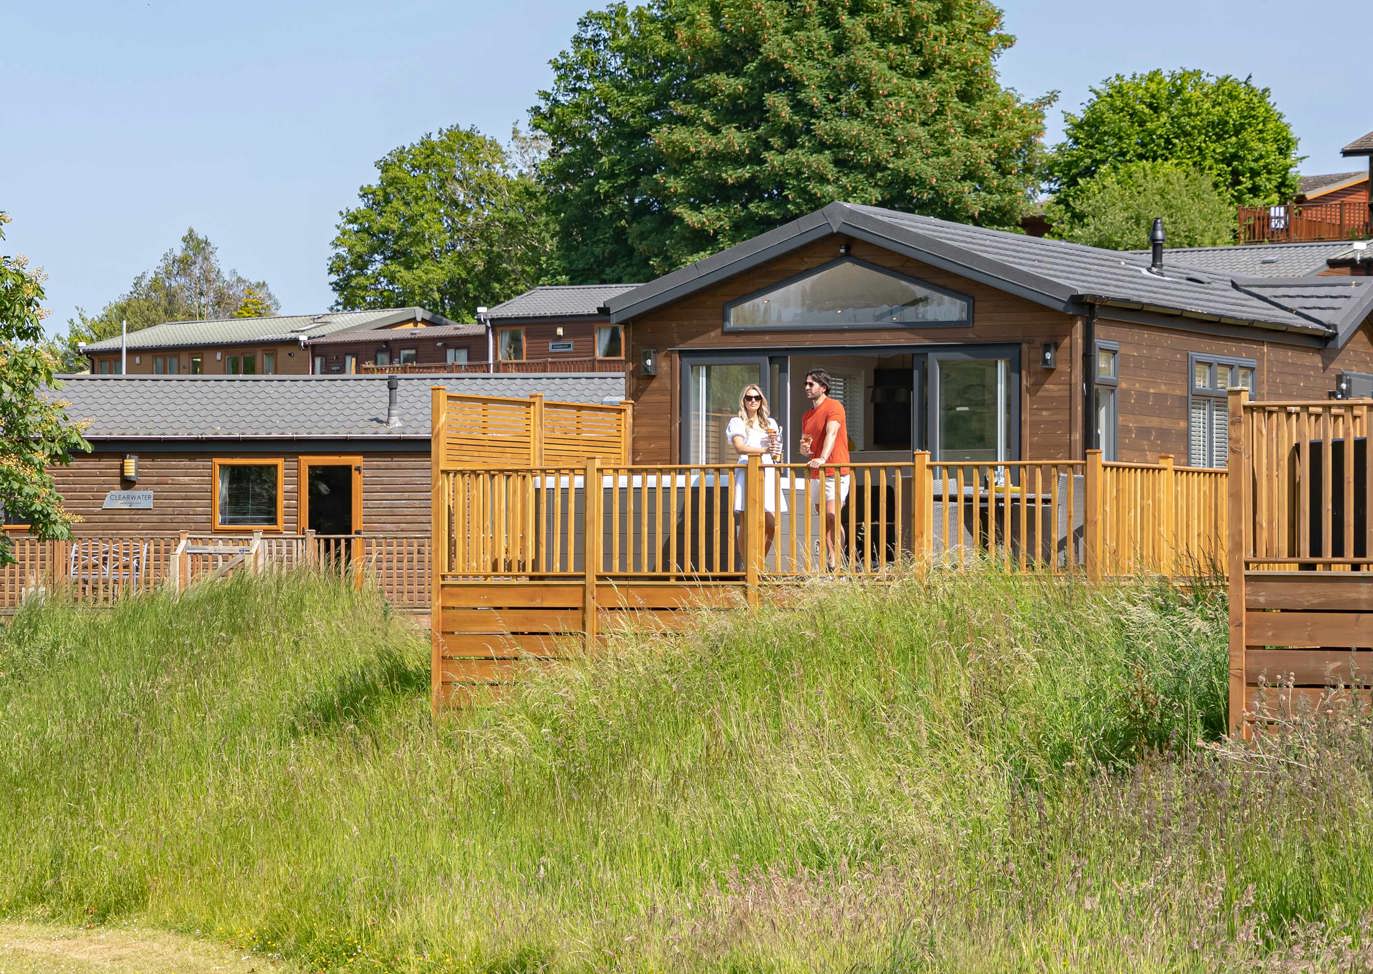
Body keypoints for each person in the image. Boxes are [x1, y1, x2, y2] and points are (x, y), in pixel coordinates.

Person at [725, 384, 786, 564]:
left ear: (761, 401)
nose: (753, 401)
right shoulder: (737, 422)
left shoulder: (771, 423)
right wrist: (764, 449)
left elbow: (776, 451)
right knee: (747, 521)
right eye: (749, 398)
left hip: (767, 470)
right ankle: (747, 567)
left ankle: (758, 564)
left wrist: (775, 451)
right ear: (743, 401)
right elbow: (739, 447)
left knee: (770, 521)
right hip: (748, 470)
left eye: (756, 398)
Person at [799, 369, 850, 569]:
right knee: (825, 519)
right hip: (816, 474)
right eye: (806, 384)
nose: (806, 388)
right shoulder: (807, 415)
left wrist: (822, 457)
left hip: (836, 471)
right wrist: (805, 450)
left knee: (832, 515)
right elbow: (805, 446)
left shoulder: (834, 406)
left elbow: (832, 432)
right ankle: (832, 562)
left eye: (811, 384)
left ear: (823, 387)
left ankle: (836, 562)